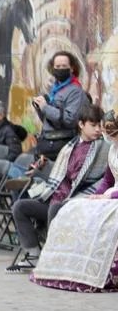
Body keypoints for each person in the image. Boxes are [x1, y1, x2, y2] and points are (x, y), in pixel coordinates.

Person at [8, 104, 107, 272]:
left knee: (55, 209)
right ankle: (33, 256)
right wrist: (44, 167)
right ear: (81, 124)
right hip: (56, 198)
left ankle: (53, 258)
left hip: (76, 200)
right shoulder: (70, 147)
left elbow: (102, 179)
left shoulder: (103, 148)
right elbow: (61, 174)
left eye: (100, 125)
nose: (98, 129)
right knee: (20, 207)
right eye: (93, 125)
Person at [31, 114, 118, 293]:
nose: (109, 137)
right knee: (74, 208)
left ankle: (101, 270)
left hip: (114, 197)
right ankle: (65, 267)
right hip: (108, 196)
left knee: (107, 222)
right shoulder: (112, 150)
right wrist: (96, 196)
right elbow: (107, 181)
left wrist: (109, 196)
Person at [31, 51, 89, 160]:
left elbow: (70, 120)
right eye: (57, 66)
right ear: (52, 68)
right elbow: (48, 121)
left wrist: (45, 107)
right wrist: (40, 107)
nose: (60, 69)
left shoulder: (75, 91)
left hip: (62, 146)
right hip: (47, 143)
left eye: (64, 66)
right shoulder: (55, 90)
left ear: (71, 68)